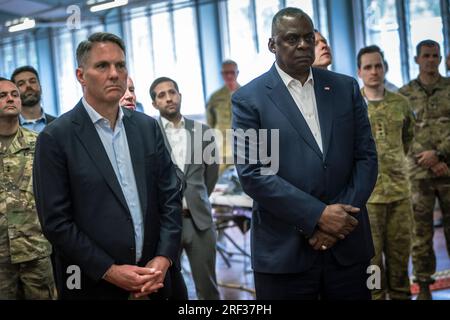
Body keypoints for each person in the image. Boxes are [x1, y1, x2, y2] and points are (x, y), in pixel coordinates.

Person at [232, 7, 378, 300]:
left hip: (348, 248)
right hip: (285, 253)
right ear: (272, 45)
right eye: (291, 38)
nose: (302, 45)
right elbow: (253, 174)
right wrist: (318, 216)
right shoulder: (249, 99)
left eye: (308, 37)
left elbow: (366, 158)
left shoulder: (344, 87)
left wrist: (337, 222)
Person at [32, 32, 184, 300]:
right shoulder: (56, 137)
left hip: (155, 278)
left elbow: (170, 197)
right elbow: (56, 222)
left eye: (120, 65)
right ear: (81, 75)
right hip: (94, 283)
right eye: (102, 66)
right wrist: (109, 270)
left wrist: (163, 257)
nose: (114, 74)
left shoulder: (146, 127)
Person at [151, 77, 221, 300]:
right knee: (168, 290)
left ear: (180, 95)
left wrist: (196, 198)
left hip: (199, 221)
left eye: (172, 92)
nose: (168, 98)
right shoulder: (148, 133)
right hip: (164, 224)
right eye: (161, 95)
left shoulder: (204, 132)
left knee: (207, 287)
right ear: (154, 103)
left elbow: (211, 174)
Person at [357, 45, 415, 300]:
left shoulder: (401, 103)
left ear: (385, 67)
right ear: (359, 72)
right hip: (368, 200)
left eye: (378, 65)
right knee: (372, 263)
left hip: (400, 194)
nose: (374, 71)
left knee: (400, 258)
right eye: (368, 67)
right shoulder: (353, 105)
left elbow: (408, 138)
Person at [399, 39, 450, 300]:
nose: (431, 60)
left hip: (448, 172)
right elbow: (402, 135)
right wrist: (426, 158)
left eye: (435, 56)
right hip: (418, 176)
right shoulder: (404, 95)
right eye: (426, 56)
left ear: (440, 60)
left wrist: (441, 155)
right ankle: (425, 286)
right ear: (417, 59)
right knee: (420, 233)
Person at [0, 77, 56, 299]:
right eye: (2, 95)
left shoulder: (41, 142)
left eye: (14, 94)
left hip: (36, 248)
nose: (10, 98)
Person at [206, 60, 240, 176]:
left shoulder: (247, 94)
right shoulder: (215, 97)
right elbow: (210, 124)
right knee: (216, 180)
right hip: (221, 147)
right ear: (221, 74)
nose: (229, 76)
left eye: (232, 72)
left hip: (242, 145)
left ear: (237, 73)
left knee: (245, 182)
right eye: (226, 73)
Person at [10, 66, 56, 133]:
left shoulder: (59, 124)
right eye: (21, 84)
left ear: (40, 87)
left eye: (32, 81)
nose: (28, 85)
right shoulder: (6, 128)